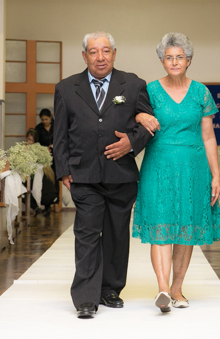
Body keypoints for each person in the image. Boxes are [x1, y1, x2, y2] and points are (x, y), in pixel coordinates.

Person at [53, 31, 154, 318]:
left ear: (114, 54)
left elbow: (148, 125)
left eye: (106, 51)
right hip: (83, 175)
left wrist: (130, 143)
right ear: (84, 56)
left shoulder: (133, 85)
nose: (100, 57)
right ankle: (86, 297)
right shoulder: (66, 88)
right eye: (94, 52)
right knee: (86, 233)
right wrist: (63, 170)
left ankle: (110, 289)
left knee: (117, 234)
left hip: (121, 175)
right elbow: (59, 134)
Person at [131, 33, 220, 312]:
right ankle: (162, 289)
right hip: (158, 166)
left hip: (194, 168)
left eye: (179, 57)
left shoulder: (201, 92)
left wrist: (216, 175)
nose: (174, 62)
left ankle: (177, 289)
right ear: (162, 61)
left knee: (186, 228)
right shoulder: (149, 90)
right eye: (169, 57)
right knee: (161, 225)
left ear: (189, 60)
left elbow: (208, 137)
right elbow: (133, 116)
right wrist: (139, 115)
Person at [34, 108, 58, 214]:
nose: (44, 121)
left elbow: (62, 138)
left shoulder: (56, 126)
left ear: (50, 118)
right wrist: (44, 149)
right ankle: (46, 205)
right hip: (44, 157)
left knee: (55, 178)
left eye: (46, 119)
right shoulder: (38, 128)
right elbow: (36, 143)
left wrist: (54, 146)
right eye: (42, 119)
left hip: (55, 156)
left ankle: (56, 202)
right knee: (45, 180)